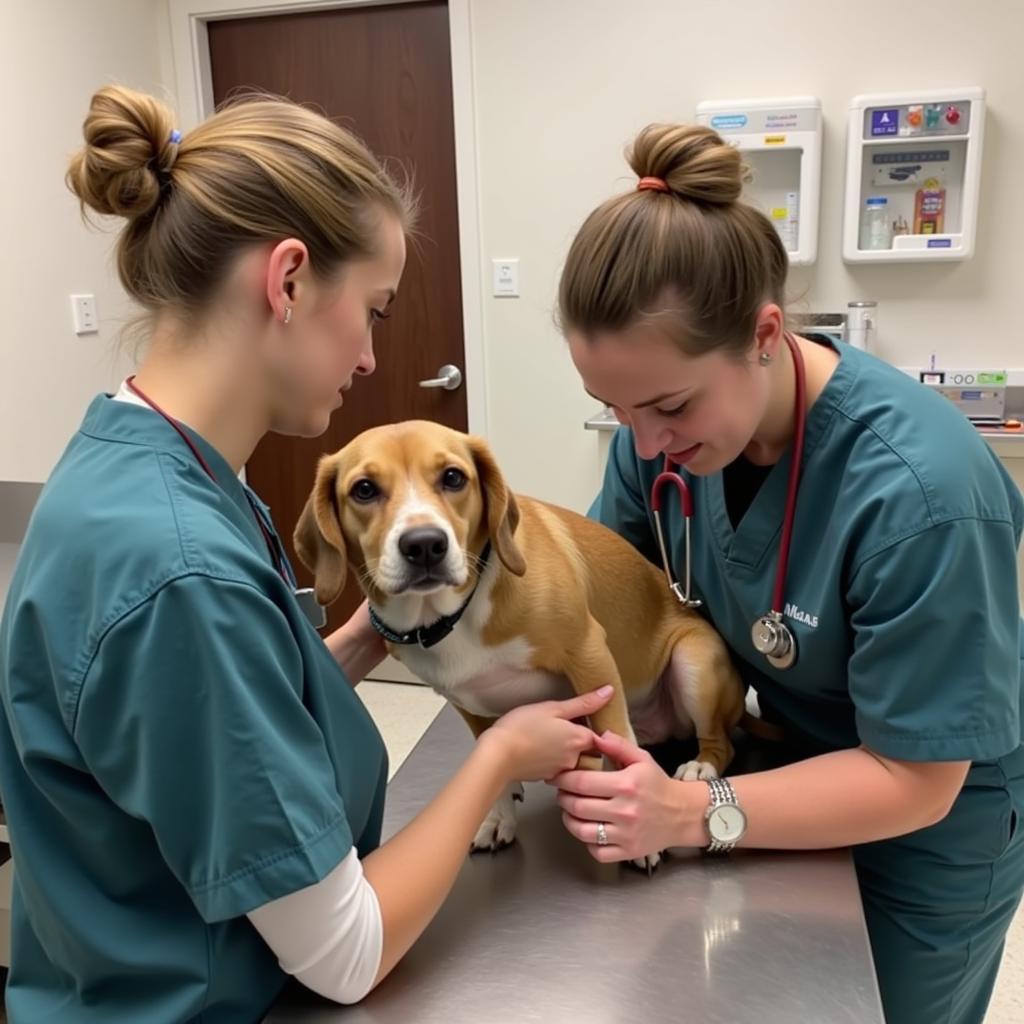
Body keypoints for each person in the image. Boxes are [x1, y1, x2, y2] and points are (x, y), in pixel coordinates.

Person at [0, 85, 613, 1024]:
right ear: (286, 282)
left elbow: (220, 716)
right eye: (373, 309)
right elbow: (346, 952)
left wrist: (367, 637)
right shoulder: (180, 571)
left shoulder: (147, 462)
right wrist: (498, 761)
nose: (371, 358)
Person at [551, 122, 1024, 1024]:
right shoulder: (655, 450)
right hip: (778, 765)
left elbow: (918, 779)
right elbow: (604, 605)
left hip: (929, 829)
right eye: (612, 408)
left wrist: (696, 814)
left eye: (668, 405)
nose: (643, 443)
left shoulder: (922, 492)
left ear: (765, 333)